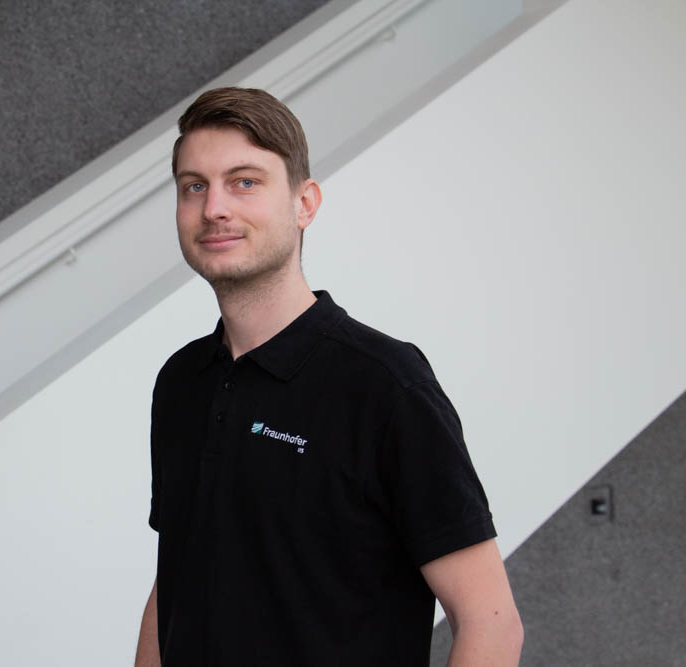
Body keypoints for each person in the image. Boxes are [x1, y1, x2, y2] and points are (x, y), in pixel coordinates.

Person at [134, 87, 523, 666]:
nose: (214, 207)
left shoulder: (385, 386)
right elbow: (176, 578)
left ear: (304, 204)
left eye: (245, 182)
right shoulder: (181, 382)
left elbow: (491, 625)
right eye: (194, 186)